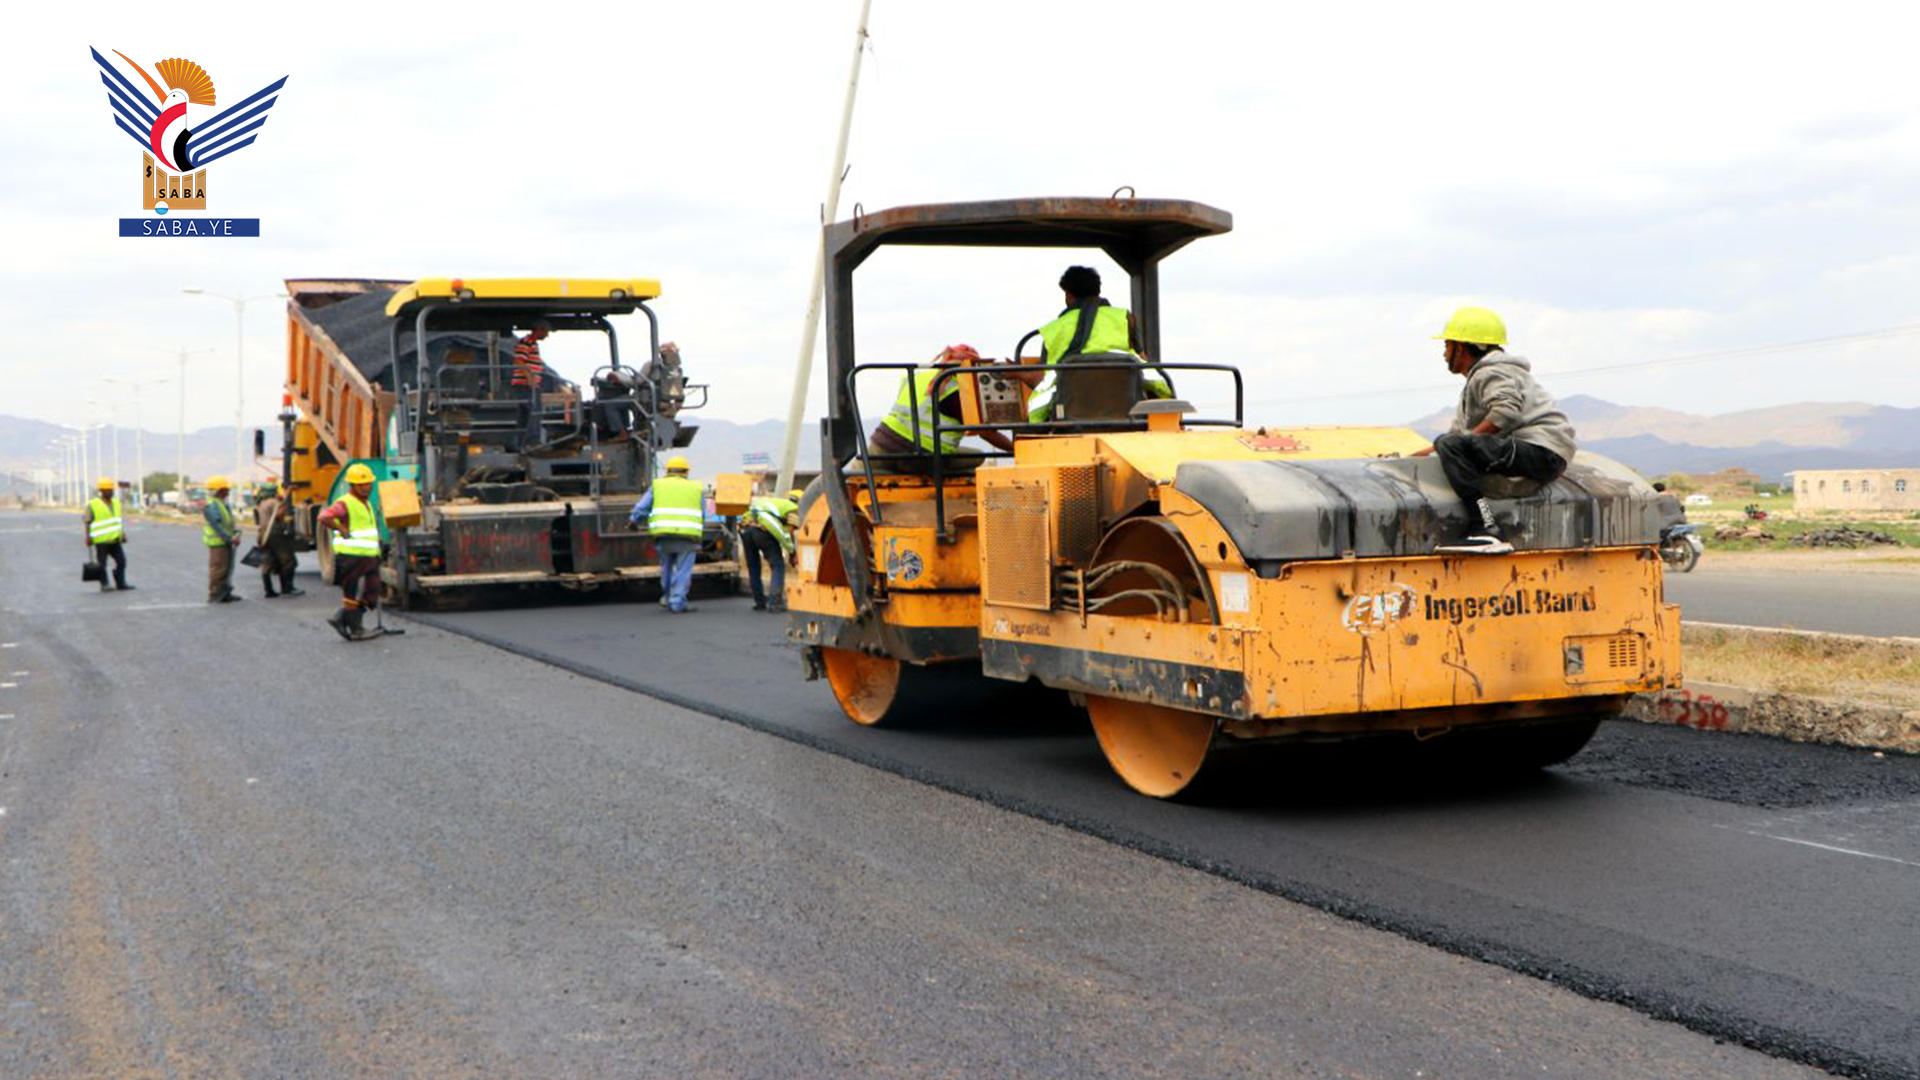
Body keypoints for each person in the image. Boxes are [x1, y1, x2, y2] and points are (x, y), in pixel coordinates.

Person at [1412, 307, 1577, 554]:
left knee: (1452, 444)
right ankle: (1485, 523)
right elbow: (1456, 438)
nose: (1444, 354)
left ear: (1461, 347)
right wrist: (1414, 459)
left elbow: (1505, 411)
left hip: (1540, 449)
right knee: (1451, 443)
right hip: (1541, 450)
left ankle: (1485, 528)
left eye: (1447, 346)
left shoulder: (1491, 371)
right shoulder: (1482, 379)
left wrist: (1459, 445)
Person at [1026, 265, 1170, 423]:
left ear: (1068, 294)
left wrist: (1016, 374)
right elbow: (1144, 362)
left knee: (1027, 423)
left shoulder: (1052, 330)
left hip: (1070, 418)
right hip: (1128, 416)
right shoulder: (1124, 318)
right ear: (1097, 291)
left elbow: (1044, 381)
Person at [867, 344, 1015, 471]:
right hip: (920, 456)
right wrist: (1014, 449)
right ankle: (958, 502)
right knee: (978, 457)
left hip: (881, 444)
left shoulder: (918, 377)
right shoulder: (955, 389)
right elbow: (986, 432)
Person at [629, 456, 705, 613]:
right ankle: (677, 602)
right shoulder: (696, 487)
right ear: (686, 472)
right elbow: (702, 513)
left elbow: (642, 507)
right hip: (687, 536)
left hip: (663, 535)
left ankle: (667, 597)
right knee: (683, 569)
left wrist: (633, 521)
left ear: (667, 471)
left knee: (667, 567)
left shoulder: (657, 485)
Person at [318, 464, 383, 640]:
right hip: (351, 556)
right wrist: (340, 528)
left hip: (368, 556)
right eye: (361, 485)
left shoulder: (366, 503)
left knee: (373, 590)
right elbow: (324, 517)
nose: (366, 488)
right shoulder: (345, 503)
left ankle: (340, 618)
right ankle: (356, 629)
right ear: (352, 486)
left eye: (368, 484)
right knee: (351, 593)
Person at [741, 487, 799, 612]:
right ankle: (775, 603)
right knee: (777, 565)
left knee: (753, 567)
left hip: (746, 530)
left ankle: (760, 602)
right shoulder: (793, 509)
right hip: (762, 531)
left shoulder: (777, 503)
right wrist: (792, 552)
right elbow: (788, 532)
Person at [253, 480, 304, 598]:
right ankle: (287, 588)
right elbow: (279, 515)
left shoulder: (261, 503)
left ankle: (268, 590)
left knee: (267, 562)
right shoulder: (273, 502)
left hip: (263, 535)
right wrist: (284, 505)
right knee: (288, 561)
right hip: (276, 535)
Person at [84, 477, 132, 592]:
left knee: (122, 562)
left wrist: (123, 534)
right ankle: (104, 584)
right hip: (101, 540)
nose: (109, 492)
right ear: (101, 491)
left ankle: (120, 583)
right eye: (107, 490)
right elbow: (87, 521)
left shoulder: (116, 503)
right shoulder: (93, 504)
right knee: (102, 564)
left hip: (115, 539)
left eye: (111, 490)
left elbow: (117, 520)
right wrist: (88, 537)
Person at [203, 476, 243, 602]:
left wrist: (235, 533)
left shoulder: (222, 503)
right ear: (218, 491)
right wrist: (230, 539)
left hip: (225, 541)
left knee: (226, 568)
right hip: (218, 543)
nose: (228, 492)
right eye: (226, 489)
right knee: (219, 569)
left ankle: (225, 593)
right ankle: (215, 593)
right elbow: (217, 526)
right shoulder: (212, 505)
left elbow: (228, 523)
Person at [511, 319, 551, 390]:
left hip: (531, 385)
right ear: (539, 329)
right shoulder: (526, 342)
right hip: (523, 385)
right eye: (546, 331)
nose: (547, 335)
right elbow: (519, 361)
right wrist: (530, 378)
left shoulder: (533, 344)